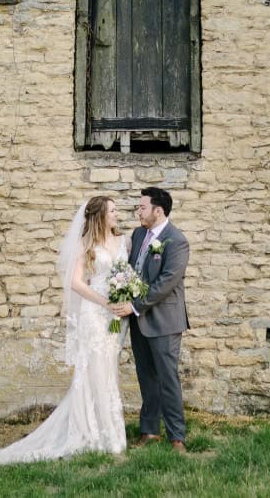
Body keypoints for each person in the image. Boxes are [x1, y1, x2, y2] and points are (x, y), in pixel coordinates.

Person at [0, 195, 128, 471]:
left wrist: (123, 296)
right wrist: (103, 300)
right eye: (113, 211)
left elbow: (126, 273)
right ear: (99, 216)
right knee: (92, 372)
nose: (117, 214)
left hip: (114, 316)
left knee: (109, 371)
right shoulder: (87, 244)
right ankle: (93, 433)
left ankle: (113, 433)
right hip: (94, 314)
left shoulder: (123, 240)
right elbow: (74, 282)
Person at [108, 186, 191, 452]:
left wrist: (133, 305)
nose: (138, 211)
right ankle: (149, 430)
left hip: (164, 320)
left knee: (167, 378)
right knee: (146, 376)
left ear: (159, 210)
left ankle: (177, 436)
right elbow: (132, 271)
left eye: (142, 207)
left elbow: (166, 282)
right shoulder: (139, 233)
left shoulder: (177, 240)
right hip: (138, 319)